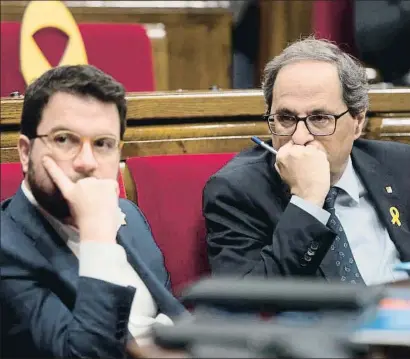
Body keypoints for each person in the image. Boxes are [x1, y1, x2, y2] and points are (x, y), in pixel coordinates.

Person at [0, 65, 187, 358]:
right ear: (25, 153)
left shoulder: (129, 217)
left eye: (103, 144)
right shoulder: (6, 247)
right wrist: (97, 236)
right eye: (64, 139)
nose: (87, 162)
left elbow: (171, 319)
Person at [203, 37, 410, 286]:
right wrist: (308, 204)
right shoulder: (236, 192)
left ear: (357, 121)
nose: (300, 138)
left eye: (320, 118)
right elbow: (244, 301)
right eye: (286, 118)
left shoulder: (399, 165)